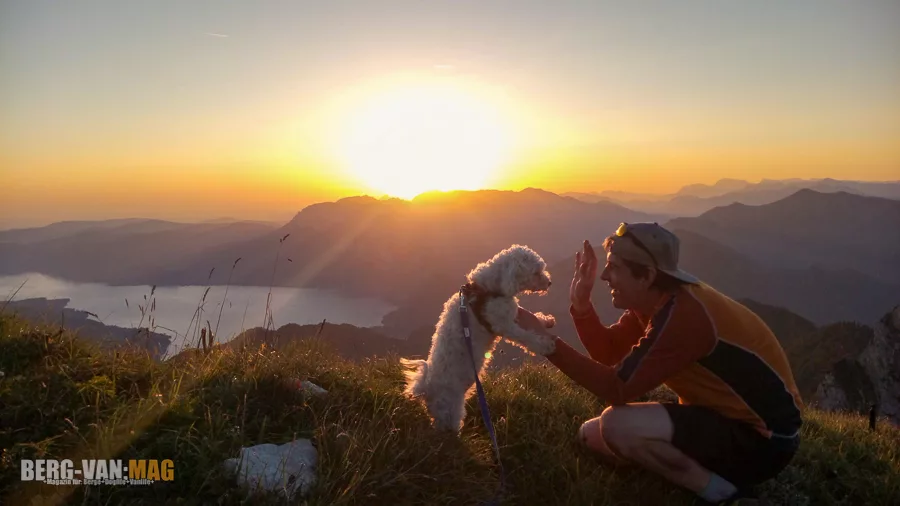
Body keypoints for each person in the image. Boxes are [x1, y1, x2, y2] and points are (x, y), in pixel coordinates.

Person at [515, 222, 803, 505]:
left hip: (765, 442)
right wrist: (581, 306)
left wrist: (544, 341)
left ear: (647, 276)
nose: (604, 275)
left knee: (617, 426)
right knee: (591, 434)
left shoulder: (685, 316)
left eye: (615, 267)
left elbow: (617, 389)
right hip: (717, 418)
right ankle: (674, 462)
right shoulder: (656, 302)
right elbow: (610, 352)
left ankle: (725, 495)